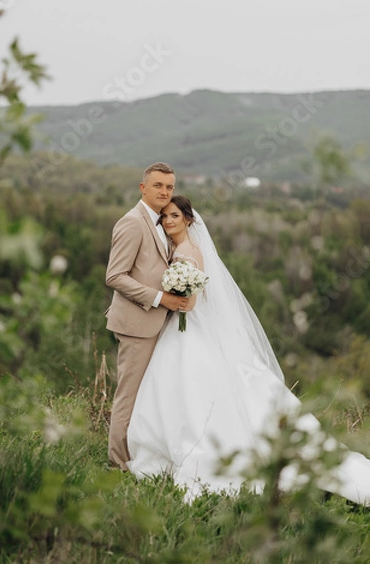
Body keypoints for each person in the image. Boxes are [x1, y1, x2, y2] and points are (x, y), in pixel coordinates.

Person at [127, 196, 370, 505]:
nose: (168, 221)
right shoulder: (174, 249)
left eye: (174, 215)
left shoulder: (189, 251)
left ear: (189, 220)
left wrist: (176, 295)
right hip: (180, 327)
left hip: (189, 328)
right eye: (164, 217)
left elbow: (194, 301)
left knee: (194, 386)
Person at [105, 163, 191, 471]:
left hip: (159, 324)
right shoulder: (131, 222)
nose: (164, 192)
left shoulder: (162, 222)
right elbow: (115, 276)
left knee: (149, 394)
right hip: (137, 324)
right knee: (128, 396)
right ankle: (117, 463)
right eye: (158, 186)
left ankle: (141, 454)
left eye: (169, 187)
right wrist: (160, 298)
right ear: (143, 188)